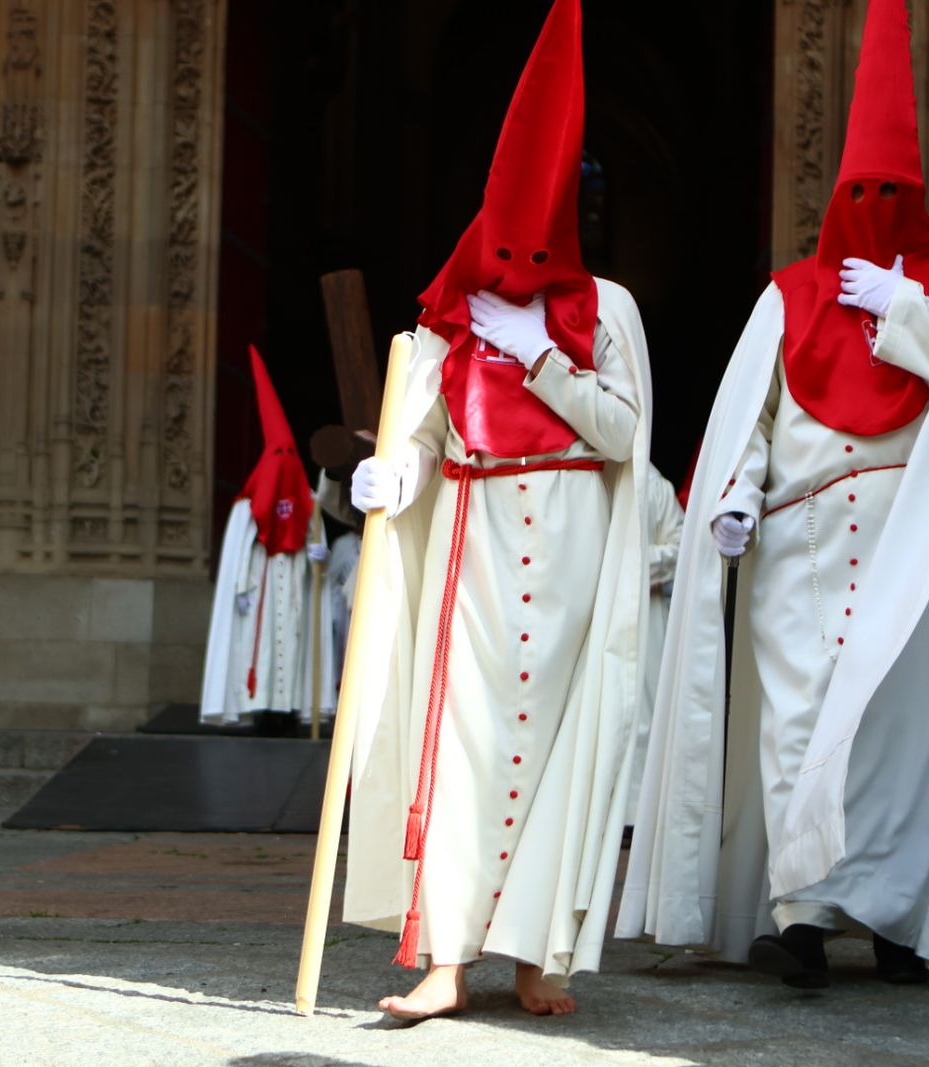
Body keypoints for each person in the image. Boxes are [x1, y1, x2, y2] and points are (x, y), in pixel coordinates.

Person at [622, 0, 929, 990]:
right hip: (795, 546)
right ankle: (798, 916)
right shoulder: (788, 294)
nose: (876, 201)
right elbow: (750, 417)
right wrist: (736, 498)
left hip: (906, 546)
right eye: (862, 187)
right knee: (798, 726)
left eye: (895, 188)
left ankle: (889, 912)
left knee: (887, 732)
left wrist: (913, 314)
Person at [339, 0, 652, 1020]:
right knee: (459, 742)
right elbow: (421, 441)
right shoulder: (443, 323)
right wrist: (388, 478)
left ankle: (535, 950)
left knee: (558, 742)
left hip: (569, 539)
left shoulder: (606, 310)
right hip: (470, 545)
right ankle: (445, 955)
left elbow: (621, 431)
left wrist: (542, 358)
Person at [200, 347, 330, 734]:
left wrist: (316, 555)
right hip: (258, 589)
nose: (285, 459)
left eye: (290, 454)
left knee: (291, 642)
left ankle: (291, 709)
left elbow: (313, 539)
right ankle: (252, 708)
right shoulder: (246, 507)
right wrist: (240, 585)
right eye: (280, 453)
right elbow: (240, 550)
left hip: (294, 585)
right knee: (255, 649)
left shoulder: (309, 501)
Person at [628, 463, 686, 826]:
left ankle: (636, 816)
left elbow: (681, 548)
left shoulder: (653, 485)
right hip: (590, 622)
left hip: (646, 619)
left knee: (644, 718)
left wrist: (633, 564)